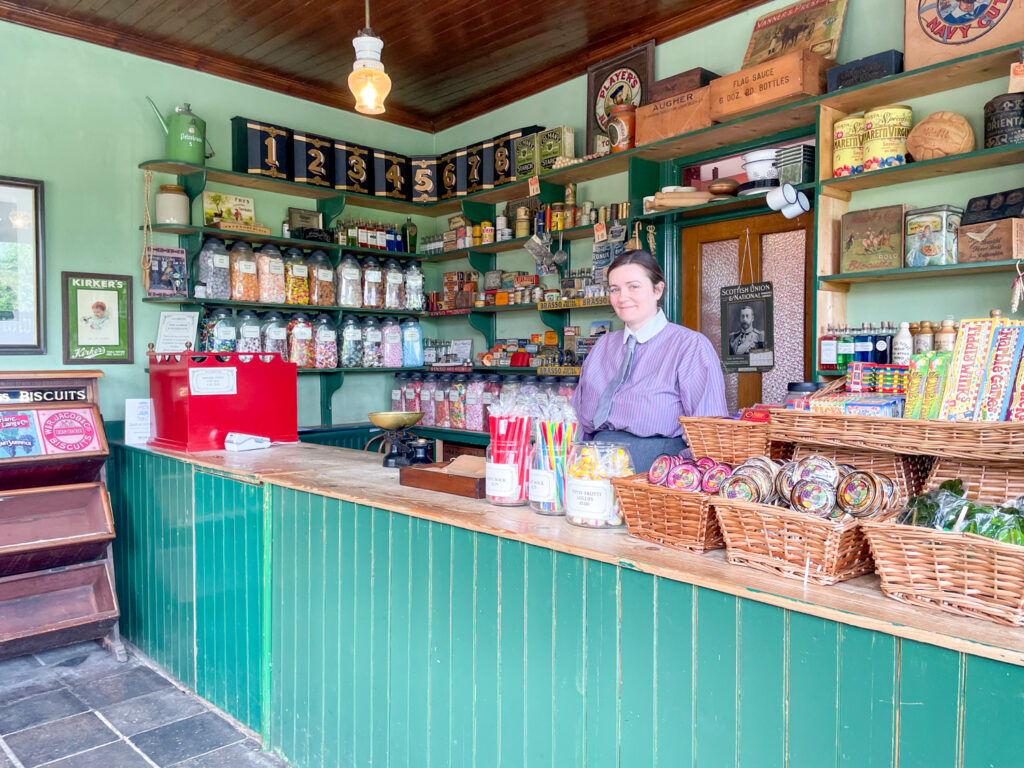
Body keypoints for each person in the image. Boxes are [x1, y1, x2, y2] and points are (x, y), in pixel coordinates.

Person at [571, 249, 728, 472]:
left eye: (633, 286)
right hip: (593, 468)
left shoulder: (690, 346)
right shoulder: (602, 347)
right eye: (615, 289)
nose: (622, 297)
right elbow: (576, 419)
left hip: (655, 472)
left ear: (657, 289)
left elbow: (708, 432)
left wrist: (676, 477)